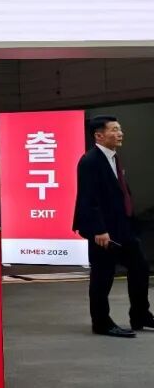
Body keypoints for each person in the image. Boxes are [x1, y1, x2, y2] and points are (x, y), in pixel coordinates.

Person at [73, 115, 152, 338]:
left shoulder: (114, 158)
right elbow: (88, 198)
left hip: (122, 227)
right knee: (103, 275)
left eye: (120, 129)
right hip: (103, 230)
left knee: (140, 267)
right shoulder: (90, 161)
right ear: (99, 135)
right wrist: (98, 229)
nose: (120, 133)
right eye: (114, 130)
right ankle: (101, 322)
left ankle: (140, 314)